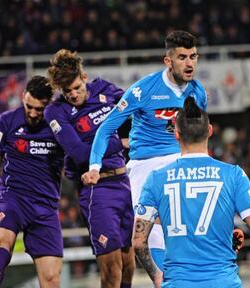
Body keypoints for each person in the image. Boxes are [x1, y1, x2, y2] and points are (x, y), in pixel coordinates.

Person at [132, 97, 250, 288]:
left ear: (176, 134)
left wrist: (156, 275)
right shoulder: (233, 175)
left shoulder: (156, 178)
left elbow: (138, 241)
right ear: (210, 130)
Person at [83, 30, 207, 272]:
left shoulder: (198, 92)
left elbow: (198, 133)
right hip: (145, 165)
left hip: (180, 159)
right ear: (168, 61)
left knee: (191, 228)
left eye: (193, 56)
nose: (189, 63)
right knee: (154, 236)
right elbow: (106, 127)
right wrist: (95, 167)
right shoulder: (144, 90)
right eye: (182, 57)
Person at [45, 49, 135, 288]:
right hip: (97, 190)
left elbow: (136, 108)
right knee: (111, 265)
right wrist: (122, 142)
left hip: (124, 183)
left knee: (129, 263)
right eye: (66, 91)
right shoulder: (56, 112)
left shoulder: (105, 90)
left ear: (84, 77)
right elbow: (80, 153)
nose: (72, 95)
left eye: (75, 87)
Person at [0, 75, 64, 288]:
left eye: (39, 109)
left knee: (51, 278)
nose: (33, 113)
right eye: (29, 106)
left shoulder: (58, 124)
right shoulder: (7, 120)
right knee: (3, 244)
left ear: (48, 105)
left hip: (46, 205)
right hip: (12, 196)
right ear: (23, 98)